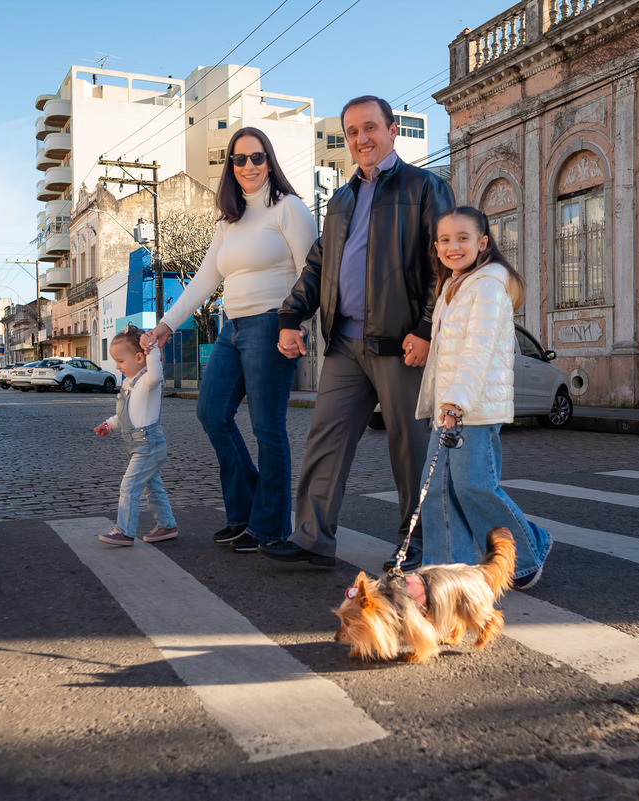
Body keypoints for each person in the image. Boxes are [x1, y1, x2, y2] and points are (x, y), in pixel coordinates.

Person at [262, 95, 455, 570]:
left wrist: (427, 328)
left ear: (393, 131)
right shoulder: (342, 200)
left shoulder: (426, 187)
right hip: (345, 343)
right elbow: (319, 265)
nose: (361, 139)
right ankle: (311, 539)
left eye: (370, 128)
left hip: (400, 344)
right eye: (351, 132)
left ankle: (416, 547)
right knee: (324, 441)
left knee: (410, 449)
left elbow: (445, 265)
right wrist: (291, 317)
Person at [142, 127, 316, 554]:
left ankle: (270, 526)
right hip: (231, 328)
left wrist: (298, 324)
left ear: (269, 160)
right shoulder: (229, 221)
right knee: (211, 411)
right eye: (240, 160)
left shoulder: (288, 208)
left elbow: (312, 272)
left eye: (257, 158)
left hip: (272, 324)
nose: (249, 167)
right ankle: (247, 511)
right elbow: (205, 279)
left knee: (266, 427)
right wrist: (166, 325)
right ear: (231, 168)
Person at [416, 206, 552, 589]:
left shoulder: (489, 285)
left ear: (483, 243)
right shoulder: (451, 288)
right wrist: (439, 402)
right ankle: (446, 579)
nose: (453, 246)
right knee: (439, 492)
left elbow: (478, 349)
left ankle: (527, 551)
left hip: (472, 409)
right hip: (450, 409)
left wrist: (456, 402)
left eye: (463, 238)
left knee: (474, 486)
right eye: (444, 239)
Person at [94, 327, 178, 546]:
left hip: (148, 444)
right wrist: (109, 424)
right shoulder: (129, 383)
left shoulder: (149, 381)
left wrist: (152, 350)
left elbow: (156, 372)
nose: (117, 366)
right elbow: (127, 414)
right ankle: (167, 525)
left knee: (129, 486)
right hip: (139, 446)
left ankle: (124, 530)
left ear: (140, 357)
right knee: (153, 488)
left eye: (120, 361)